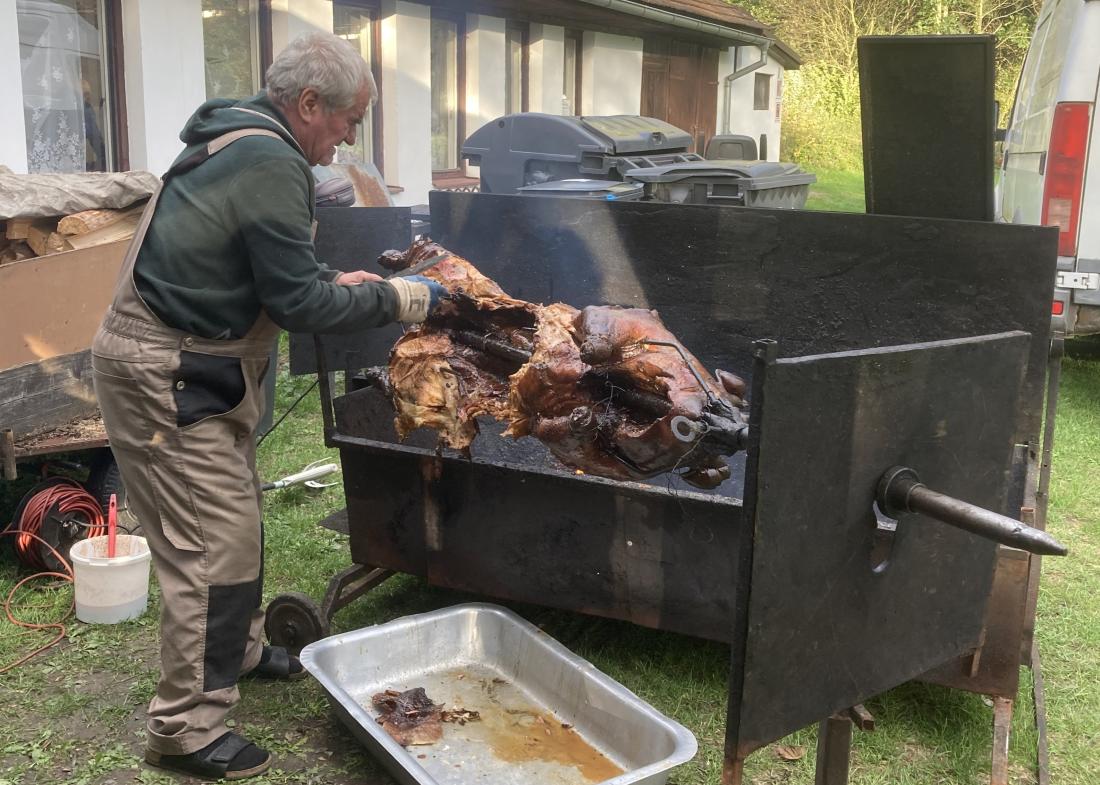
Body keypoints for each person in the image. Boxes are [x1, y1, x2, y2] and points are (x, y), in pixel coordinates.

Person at [91, 32, 445, 781]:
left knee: (237, 521)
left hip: (202, 364)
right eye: (350, 118)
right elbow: (295, 300)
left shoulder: (248, 144)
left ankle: (240, 652)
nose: (352, 136)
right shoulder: (269, 157)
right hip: (169, 370)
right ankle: (185, 728)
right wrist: (399, 298)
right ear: (309, 103)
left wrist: (335, 278)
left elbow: (266, 262)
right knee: (209, 548)